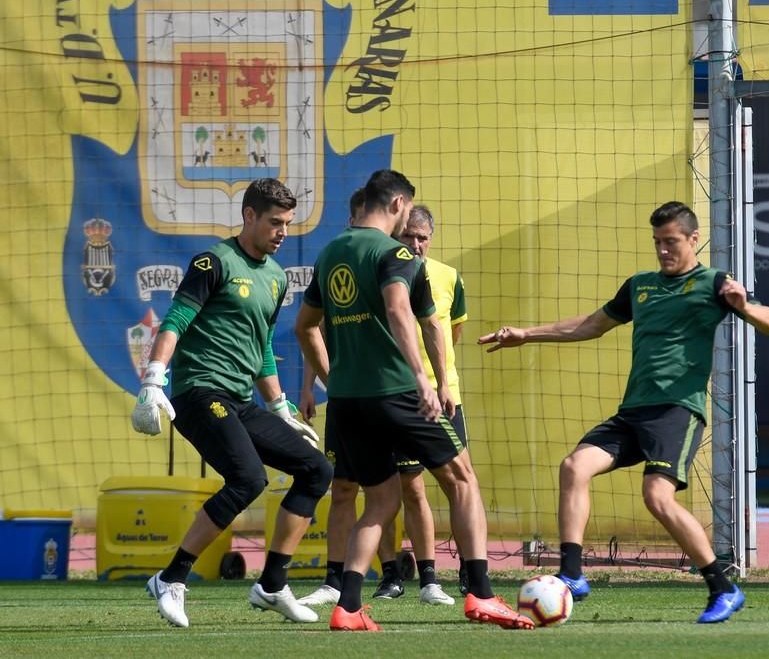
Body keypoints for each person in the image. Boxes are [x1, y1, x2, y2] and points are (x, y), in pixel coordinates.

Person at [478, 201, 769, 624]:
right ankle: (572, 574)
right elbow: (589, 325)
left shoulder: (714, 283)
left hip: (676, 410)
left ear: (694, 239)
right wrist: (526, 335)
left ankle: (723, 587)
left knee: (656, 496)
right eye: (657, 242)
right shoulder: (640, 286)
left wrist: (744, 307)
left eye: (671, 241)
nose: (662, 250)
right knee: (573, 467)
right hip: (633, 412)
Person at [295, 169, 532, 631]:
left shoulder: (331, 253)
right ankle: (481, 595)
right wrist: (428, 380)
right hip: (397, 391)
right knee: (462, 480)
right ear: (400, 203)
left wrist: (333, 378)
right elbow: (407, 313)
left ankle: (347, 607)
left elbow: (305, 326)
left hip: (348, 401)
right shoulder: (394, 253)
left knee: (380, 502)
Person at [131, 177, 334, 628]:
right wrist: (153, 379)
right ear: (248, 216)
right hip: (199, 392)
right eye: (274, 222)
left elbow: (260, 347)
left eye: (287, 224)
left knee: (317, 469)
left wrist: (280, 408)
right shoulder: (214, 261)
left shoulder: (277, 277)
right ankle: (172, 578)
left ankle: (272, 585)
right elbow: (176, 321)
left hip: (241, 400)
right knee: (248, 478)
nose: (283, 232)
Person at [297, 200, 463, 608]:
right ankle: (361, 580)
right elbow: (316, 329)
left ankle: (431, 579)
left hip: (418, 395)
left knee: (417, 486)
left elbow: (444, 333)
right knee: (352, 490)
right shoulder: (371, 262)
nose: (416, 244)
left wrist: (438, 381)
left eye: (423, 238)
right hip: (364, 394)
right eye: (410, 235)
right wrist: (312, 385)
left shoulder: (444, 276)